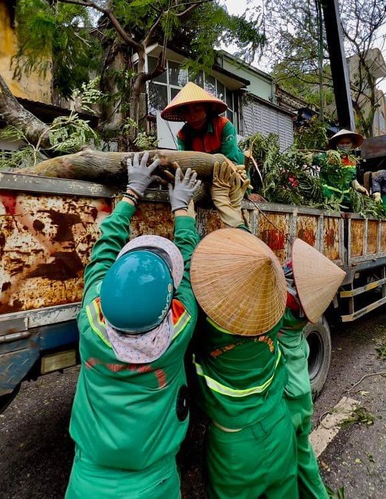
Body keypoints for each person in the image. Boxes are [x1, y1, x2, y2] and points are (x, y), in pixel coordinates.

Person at [66, 153, 202, 499]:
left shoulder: (91, 322)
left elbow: (103, 252)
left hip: (85, 483)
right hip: (154, 485)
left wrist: (132, 191)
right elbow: (188, 262)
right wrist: (180, 209)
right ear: (167, 303)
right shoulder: (179, 330)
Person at [190, 162, 298, 498]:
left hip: (234, 447)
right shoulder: (278, 315)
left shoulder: (207, 329)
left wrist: (183, 214)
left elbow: (186, 281)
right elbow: (256, 262)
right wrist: (233, 214)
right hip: (280, 430)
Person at [281, 238, 346, 498]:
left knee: (283, 465)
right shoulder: (298, 317)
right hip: (302, 398)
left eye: (289, 272)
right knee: (304, 457)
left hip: (287, 400)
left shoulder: (281, 314)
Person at [161, 81, 244, 166]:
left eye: (197, 110)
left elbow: (231, 161)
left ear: (206, 109)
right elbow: (183, 162)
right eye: (187, 112)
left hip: (235, 172)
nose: (192, 116)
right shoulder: (183, 135)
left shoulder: (223, 126)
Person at [310, 130, 369, 207]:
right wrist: (310, 156)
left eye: (348, 143)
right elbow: (311, 159)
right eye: (342, 143)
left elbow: (351, 178)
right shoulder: (327, 157)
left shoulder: (352, 161)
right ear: (336, 144)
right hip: (329, 199)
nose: (345, 145)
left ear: (352, 144)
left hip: (346, 200)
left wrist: (358, 187)